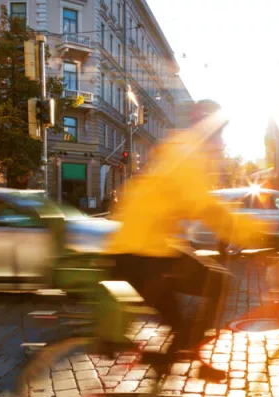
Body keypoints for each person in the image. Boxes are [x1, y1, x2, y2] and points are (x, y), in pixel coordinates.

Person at [103, 100, 270, 380]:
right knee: (218, 283)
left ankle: (184, 356)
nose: (221, 141)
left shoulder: (182, 148)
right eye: (219, 133)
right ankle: (174, 366)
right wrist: (255, 233)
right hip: (142, 254)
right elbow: (204, 206)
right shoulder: (188, 155)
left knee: (185, 312)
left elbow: (191, 204)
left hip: (146, 248)